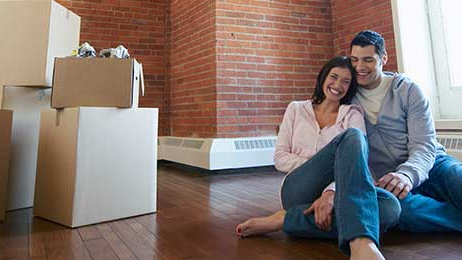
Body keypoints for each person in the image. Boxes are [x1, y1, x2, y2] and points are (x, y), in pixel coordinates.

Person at [236, 56, 401, 260]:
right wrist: (323, 165)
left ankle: (286, 220)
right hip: (298, 189)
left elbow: (358, 163)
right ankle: (361, 242)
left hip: (338, 194)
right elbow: (280, 157)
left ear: (350, 87)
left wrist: (331, 191)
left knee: (390, 207)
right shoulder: (296, 109)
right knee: (352, 138)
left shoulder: (352, 114)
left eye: (346, 81)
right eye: (334, 77)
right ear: (323, 78)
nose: (338, 85)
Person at [349, 30, 462, 232]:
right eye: (354, 60)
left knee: (457, 176)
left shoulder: (408, 90)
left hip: (431, 164)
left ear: (383, 58)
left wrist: (407, 175)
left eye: (367, 60)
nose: (359, 67)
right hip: (387, 177)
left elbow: (424, 144)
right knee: (400, 211)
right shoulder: (347, 97)